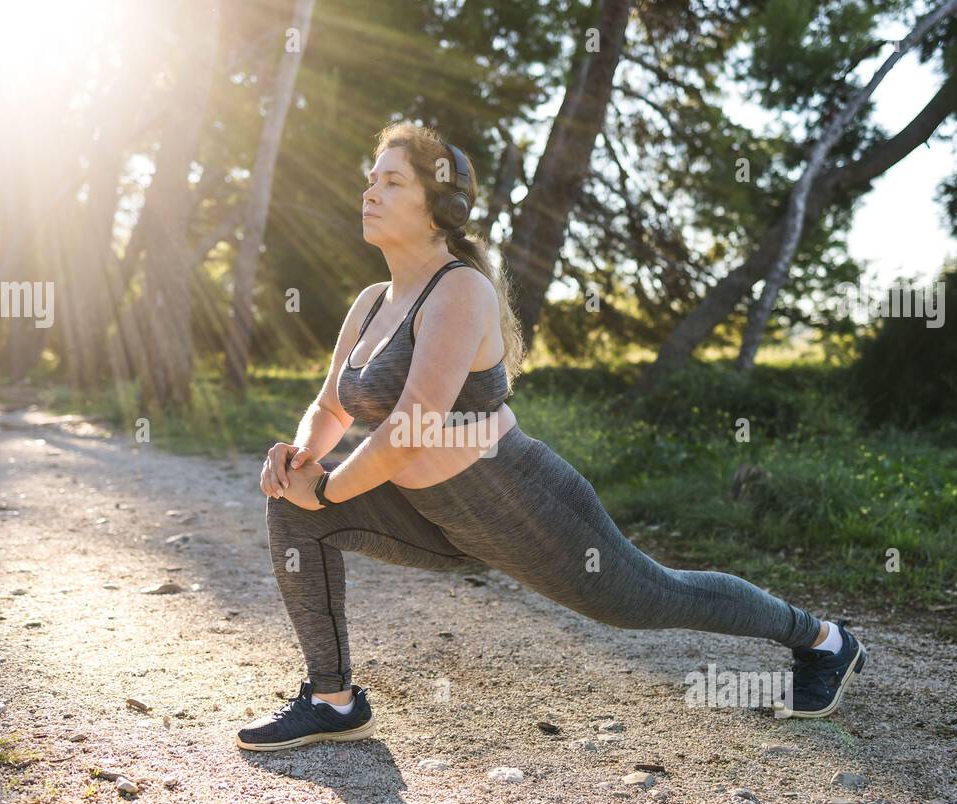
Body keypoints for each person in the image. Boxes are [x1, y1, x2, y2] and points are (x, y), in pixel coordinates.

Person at [237, 123, 866, 752]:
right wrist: (301, 460)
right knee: (293, 510)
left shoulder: (458, 289)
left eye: (393, 181)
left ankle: (822, 641)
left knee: (648, 598)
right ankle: (332, 700)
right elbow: (329, 405)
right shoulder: (373, 302)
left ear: (441, 208)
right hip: (433, 517)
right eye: (371, 179)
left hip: (521, 504)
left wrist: (328, 488)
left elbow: (412, 426)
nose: (371, 191)